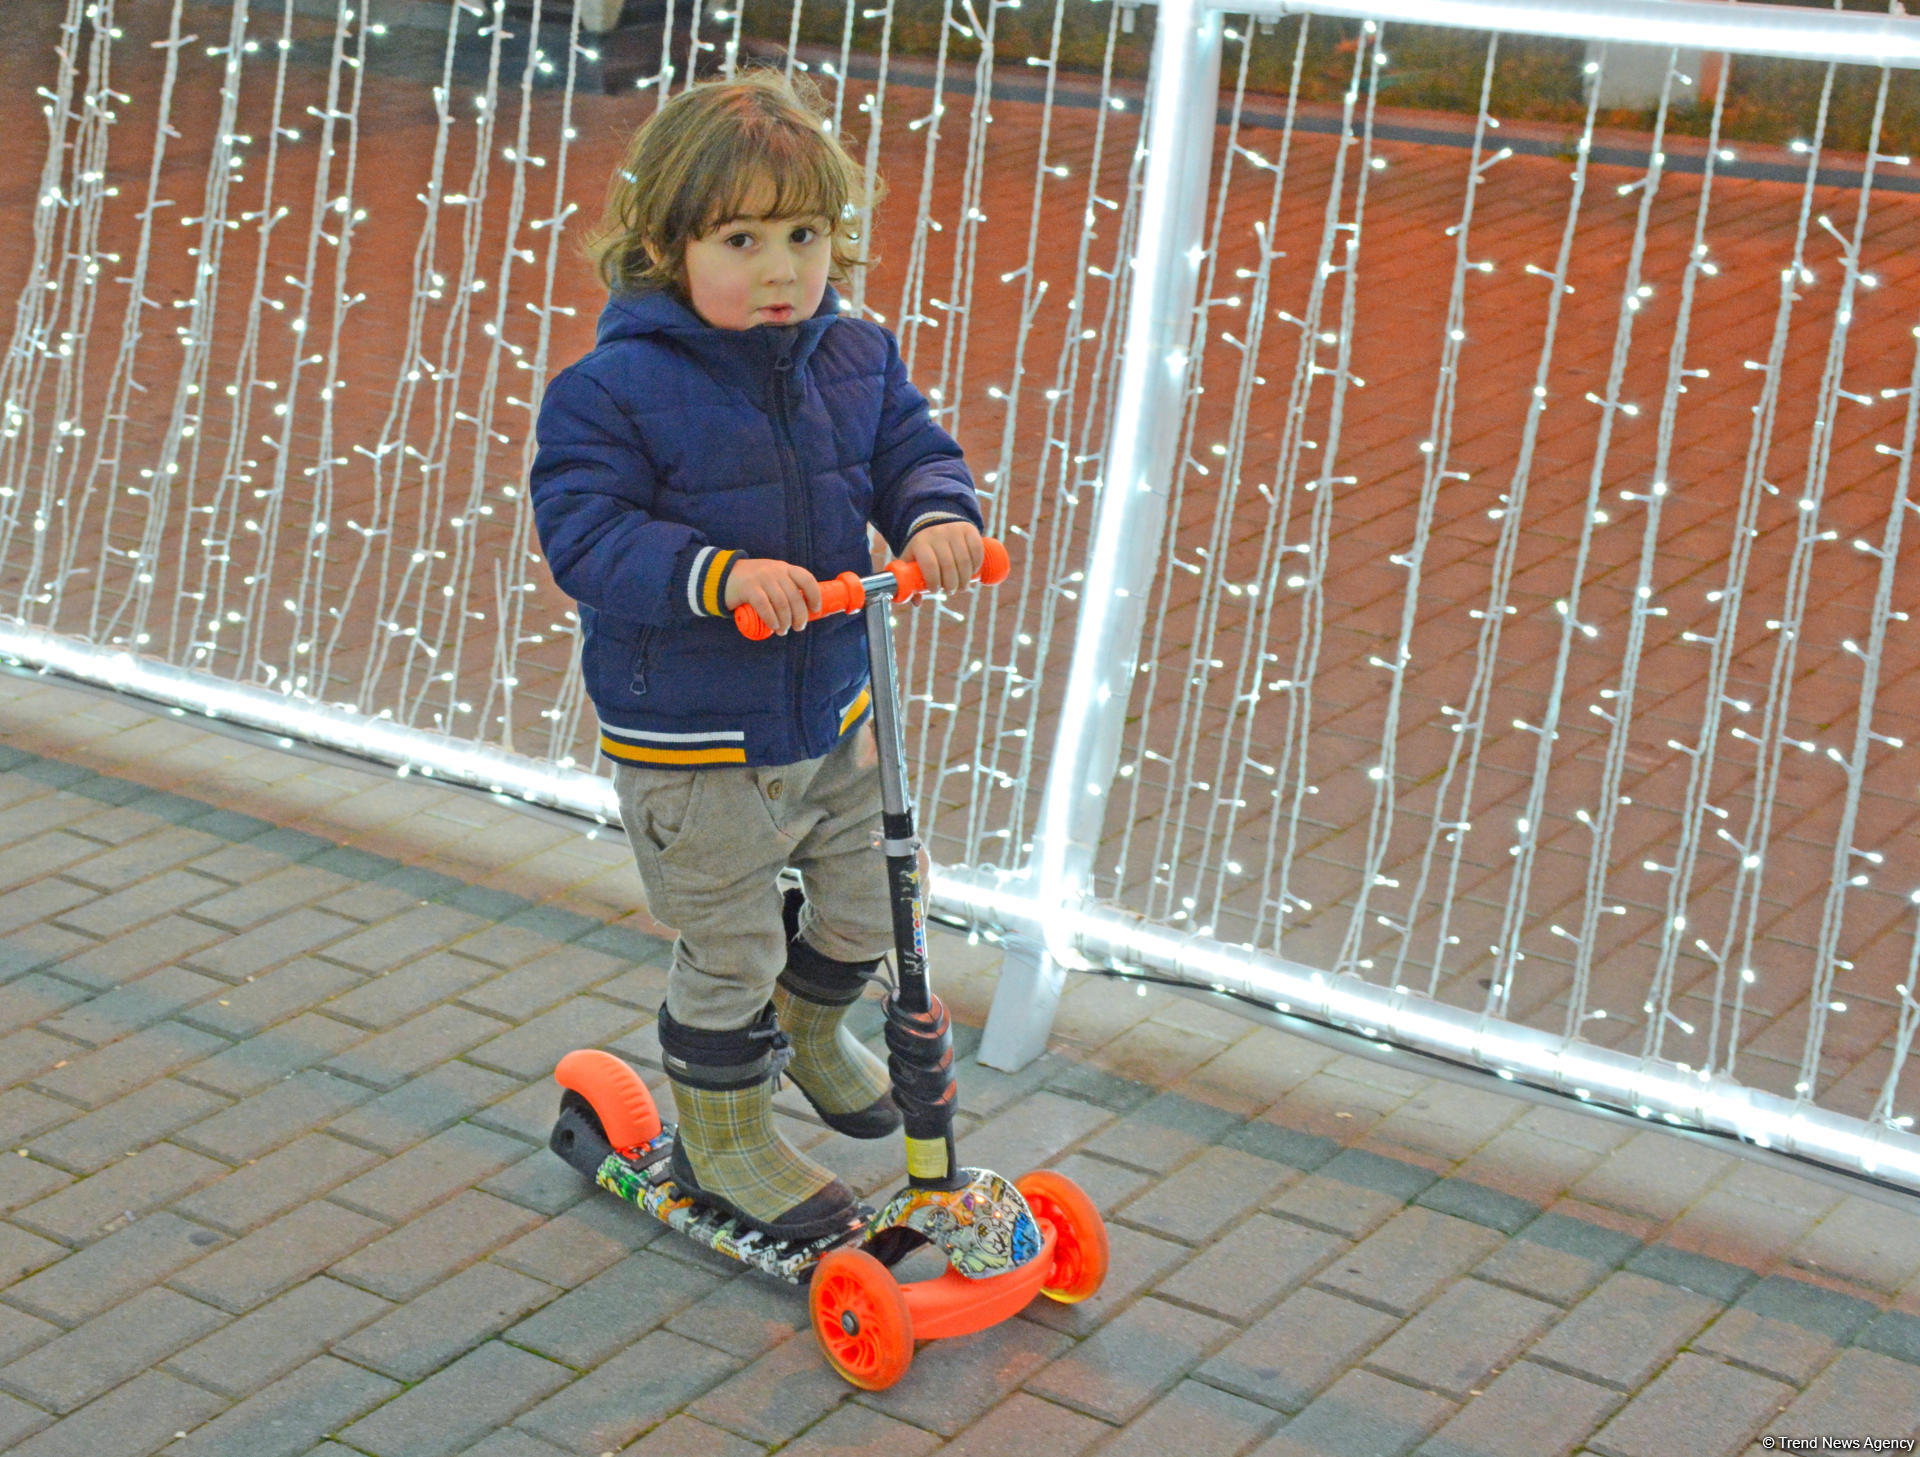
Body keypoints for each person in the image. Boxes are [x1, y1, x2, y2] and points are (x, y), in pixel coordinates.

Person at [529, 69, 984, 1243]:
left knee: (878, 896)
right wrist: (716, 576)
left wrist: (937, 515)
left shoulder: (857, 357)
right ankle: (723, 1134)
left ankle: (815, 1021)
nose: (782, 267)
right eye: (742, 238)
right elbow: (587, 535)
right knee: (727, 940)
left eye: (805, 233)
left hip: (830, 701)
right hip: (692, 728)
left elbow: (911, 448)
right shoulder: (609, 392)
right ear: (664, 243)